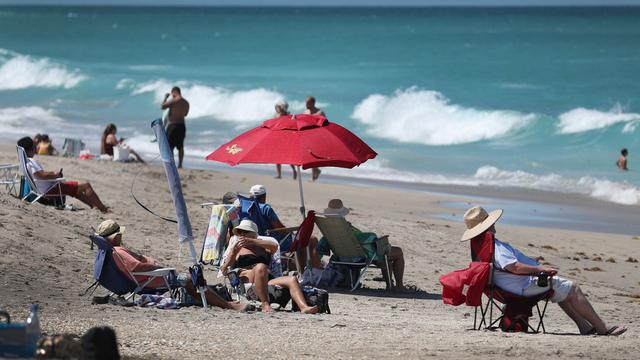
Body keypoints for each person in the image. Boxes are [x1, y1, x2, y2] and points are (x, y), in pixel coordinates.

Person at [461, 205, 627, 336]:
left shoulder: (482, 247)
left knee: (562, 289)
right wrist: (539, 268)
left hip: (504, 287)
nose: (494, 224)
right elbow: (514, 267)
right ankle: (602, 327)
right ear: (489, 225)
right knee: (573, 288)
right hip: (519, 287)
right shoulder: (496, 247)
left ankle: (584, 326)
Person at [95, 220, 248, 311]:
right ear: (116, 236)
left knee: (190, 281)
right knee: (191, 279)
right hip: (151, 279)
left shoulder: (109, 251)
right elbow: (136, 267)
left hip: (141, 279)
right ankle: (228, 305)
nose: (121, 236)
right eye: (119, 234)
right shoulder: (118, 251)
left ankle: (222, 302)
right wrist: (155, 267)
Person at [219, 219, 318, 314]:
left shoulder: (263, 247)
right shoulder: (237, 249)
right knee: (261, 266)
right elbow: (224, 269)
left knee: (292, 279)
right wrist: (233, 253)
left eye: (246, 232)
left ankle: (304, 307)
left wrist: (253, 241)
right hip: (248, 277)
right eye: (240, 232)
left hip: (266, 278)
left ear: (254, 234)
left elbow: (274, 246)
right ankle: (265, 304)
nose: (243, 234)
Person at [319, 199, 406, 291]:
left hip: (341, 258)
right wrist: (375, 238)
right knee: (397, 252)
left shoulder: (328, 230)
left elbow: (321, 247)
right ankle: (399, 285)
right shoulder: (345, 228)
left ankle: (390, 284)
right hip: (360, 257)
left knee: (384, 255)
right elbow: (366, 238)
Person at [18, 136, 109, 212]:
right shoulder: (31, 162)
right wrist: (56, 175)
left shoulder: (26, 162)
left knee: (76, 190)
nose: (36, 147)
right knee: (86, 185)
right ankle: (103, 209)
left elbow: (40, 174)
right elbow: (41, 175)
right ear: (31, 148)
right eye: (34, 145)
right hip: (49, 190)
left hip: (44, 189)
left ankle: (94, 206)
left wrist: (52, 173)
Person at [248, 184, 322, 270]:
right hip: (275, 241)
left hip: (257, 240)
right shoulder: (265, 208)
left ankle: (304, 267)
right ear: (264, 196)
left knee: (301, 241)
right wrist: (290, 231)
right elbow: (281, 229)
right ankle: (313, 268)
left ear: (251, 196)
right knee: (311, 239)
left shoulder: (247, 208)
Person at [161, 86, 189, 168]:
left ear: (174, 92)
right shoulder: (186, 103)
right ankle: (180, 164)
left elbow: (162, 106)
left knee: (170, 146)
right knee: (180, 146)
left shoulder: (173, 101)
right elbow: (185, 114)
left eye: (172, 93)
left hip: (172, 125)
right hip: (182, 126)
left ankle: (172, 164)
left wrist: (165, 97)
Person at [273, 100, 297, 180]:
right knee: (277, 157)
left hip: (285, 138)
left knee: (288, 157)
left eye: (279, 107)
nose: (277, 108)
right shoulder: (277, 116)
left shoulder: (287, 116)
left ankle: (294, 170)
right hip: (278, 138)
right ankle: (279, 174)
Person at [303, 96, 324, 182]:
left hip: (316, 137)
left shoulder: (319, 112)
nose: (306, 104)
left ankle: (313, 175)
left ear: (312, 103)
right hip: (307, 136)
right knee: (310, 155)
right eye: (305, 102)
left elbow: (325, 123)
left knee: (313, 155)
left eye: (307, 102)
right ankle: (316, 170)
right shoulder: (306, 112)